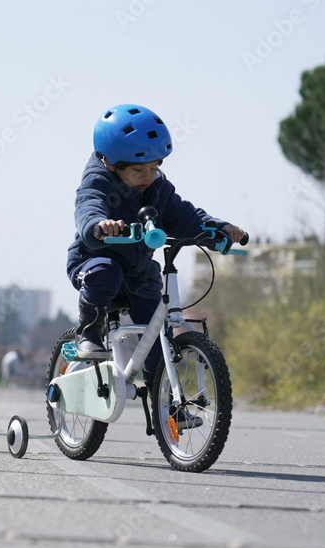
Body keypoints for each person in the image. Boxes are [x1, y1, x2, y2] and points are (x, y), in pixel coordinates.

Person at [65, 104, 246, 397]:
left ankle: (167, 403)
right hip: (93, 261)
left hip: (138, 274)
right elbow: (89, 206)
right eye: (138, 169)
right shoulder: (98, 183)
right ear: (110, 163)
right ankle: (90, 330)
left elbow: (185, 216)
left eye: (154, 167)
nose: (147, 176)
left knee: (158, 339)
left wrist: (218, 228)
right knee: (106, 271)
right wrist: (99, 224)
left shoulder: (158, 188)